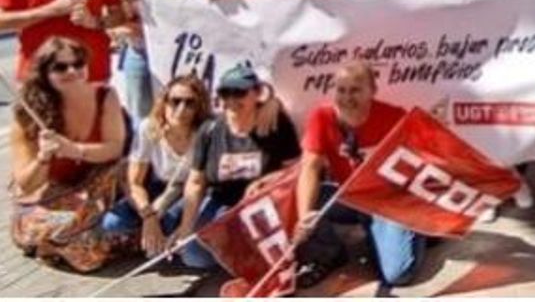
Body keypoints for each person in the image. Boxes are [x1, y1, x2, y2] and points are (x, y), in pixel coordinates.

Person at [294, 62, 425, 292]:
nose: (346, 97)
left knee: (398, 274)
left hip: (384, 202)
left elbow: (414, 170)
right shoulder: (322, 117)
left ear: (372, 91)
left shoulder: (394, 117)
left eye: (355, 90)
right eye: (341, 90)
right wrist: (305, 216)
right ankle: (331, 252)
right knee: (291, 194)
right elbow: (310, 168)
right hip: (347, 195)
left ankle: (418, 231)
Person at [10, 37, 128, 272]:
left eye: (78, 63)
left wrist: (74, 150)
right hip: (53, 195)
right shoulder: (27, 114)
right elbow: (26, 185)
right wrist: (43, 157)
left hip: (95, 188)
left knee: (120, 169)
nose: (72, 71)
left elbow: (114, 148)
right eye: (61, 67)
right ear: (44, 74)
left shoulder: (106, 96)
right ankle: (64, 240)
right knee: (77, 239)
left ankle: (58, 243)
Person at [170, 65, 300, 269]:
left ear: (256, 93)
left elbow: (296, 170)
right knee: (193, 256)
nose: (231, 100)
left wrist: (268, 182)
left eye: (239, 92)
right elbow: (195, 182)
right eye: (225, 93)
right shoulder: (210, 129)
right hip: (222, 204)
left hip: (264, 206)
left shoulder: (275, 123)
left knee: (245, 250)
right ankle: (240, 257)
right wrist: (185, 227)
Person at [100, 74, 211, 257]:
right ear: (164, 102)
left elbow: (197, 185)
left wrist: (184, 227)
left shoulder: (205, 133)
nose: (181, 109)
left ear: (198, 107)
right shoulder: (149, 128)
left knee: (170, 226)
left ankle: (164, 240)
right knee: (112, 223)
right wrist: (148, 216)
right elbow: (133, 181)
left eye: (189, 103)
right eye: (175, 101)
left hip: (191, 190)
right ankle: (148, 238)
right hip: (159, 185)